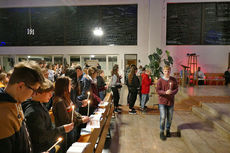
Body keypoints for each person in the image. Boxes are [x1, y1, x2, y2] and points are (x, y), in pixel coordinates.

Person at [0, 61, 44, 153]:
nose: (33, 95)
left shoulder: (16, 102)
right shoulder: (3, 115)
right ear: (21, 86)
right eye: (34, 90)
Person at [22, 79, 74, 153]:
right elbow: (42, 136)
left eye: (51, 92)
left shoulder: (40, 104)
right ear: (37, 92)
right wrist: (62, 129)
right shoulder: (33, 112)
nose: (51, 95)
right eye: (48, 92)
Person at [52, 76, 89, 152]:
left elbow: (72, 112)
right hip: (65, 133)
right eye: (69, 85)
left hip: (72, 129)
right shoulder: (59, 101)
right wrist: (81, 121)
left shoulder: (66, 98)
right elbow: (66, 120)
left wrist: (80, 116)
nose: (71, 86)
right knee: (68, 149)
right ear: (64, 87)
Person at [156, 65, 178, 141]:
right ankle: (162, 131)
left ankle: (168, 130)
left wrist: (172, 92)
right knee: (163, 117)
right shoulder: (160, 80)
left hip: (170, 101)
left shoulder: (173, 80)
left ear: (170, 71)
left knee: (170, 117)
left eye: (168, 71)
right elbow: (158, 90)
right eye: (165, 71)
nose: (167, 72)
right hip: (162, 101)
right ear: (163, 71)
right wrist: (165, 92)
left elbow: (176, 89)